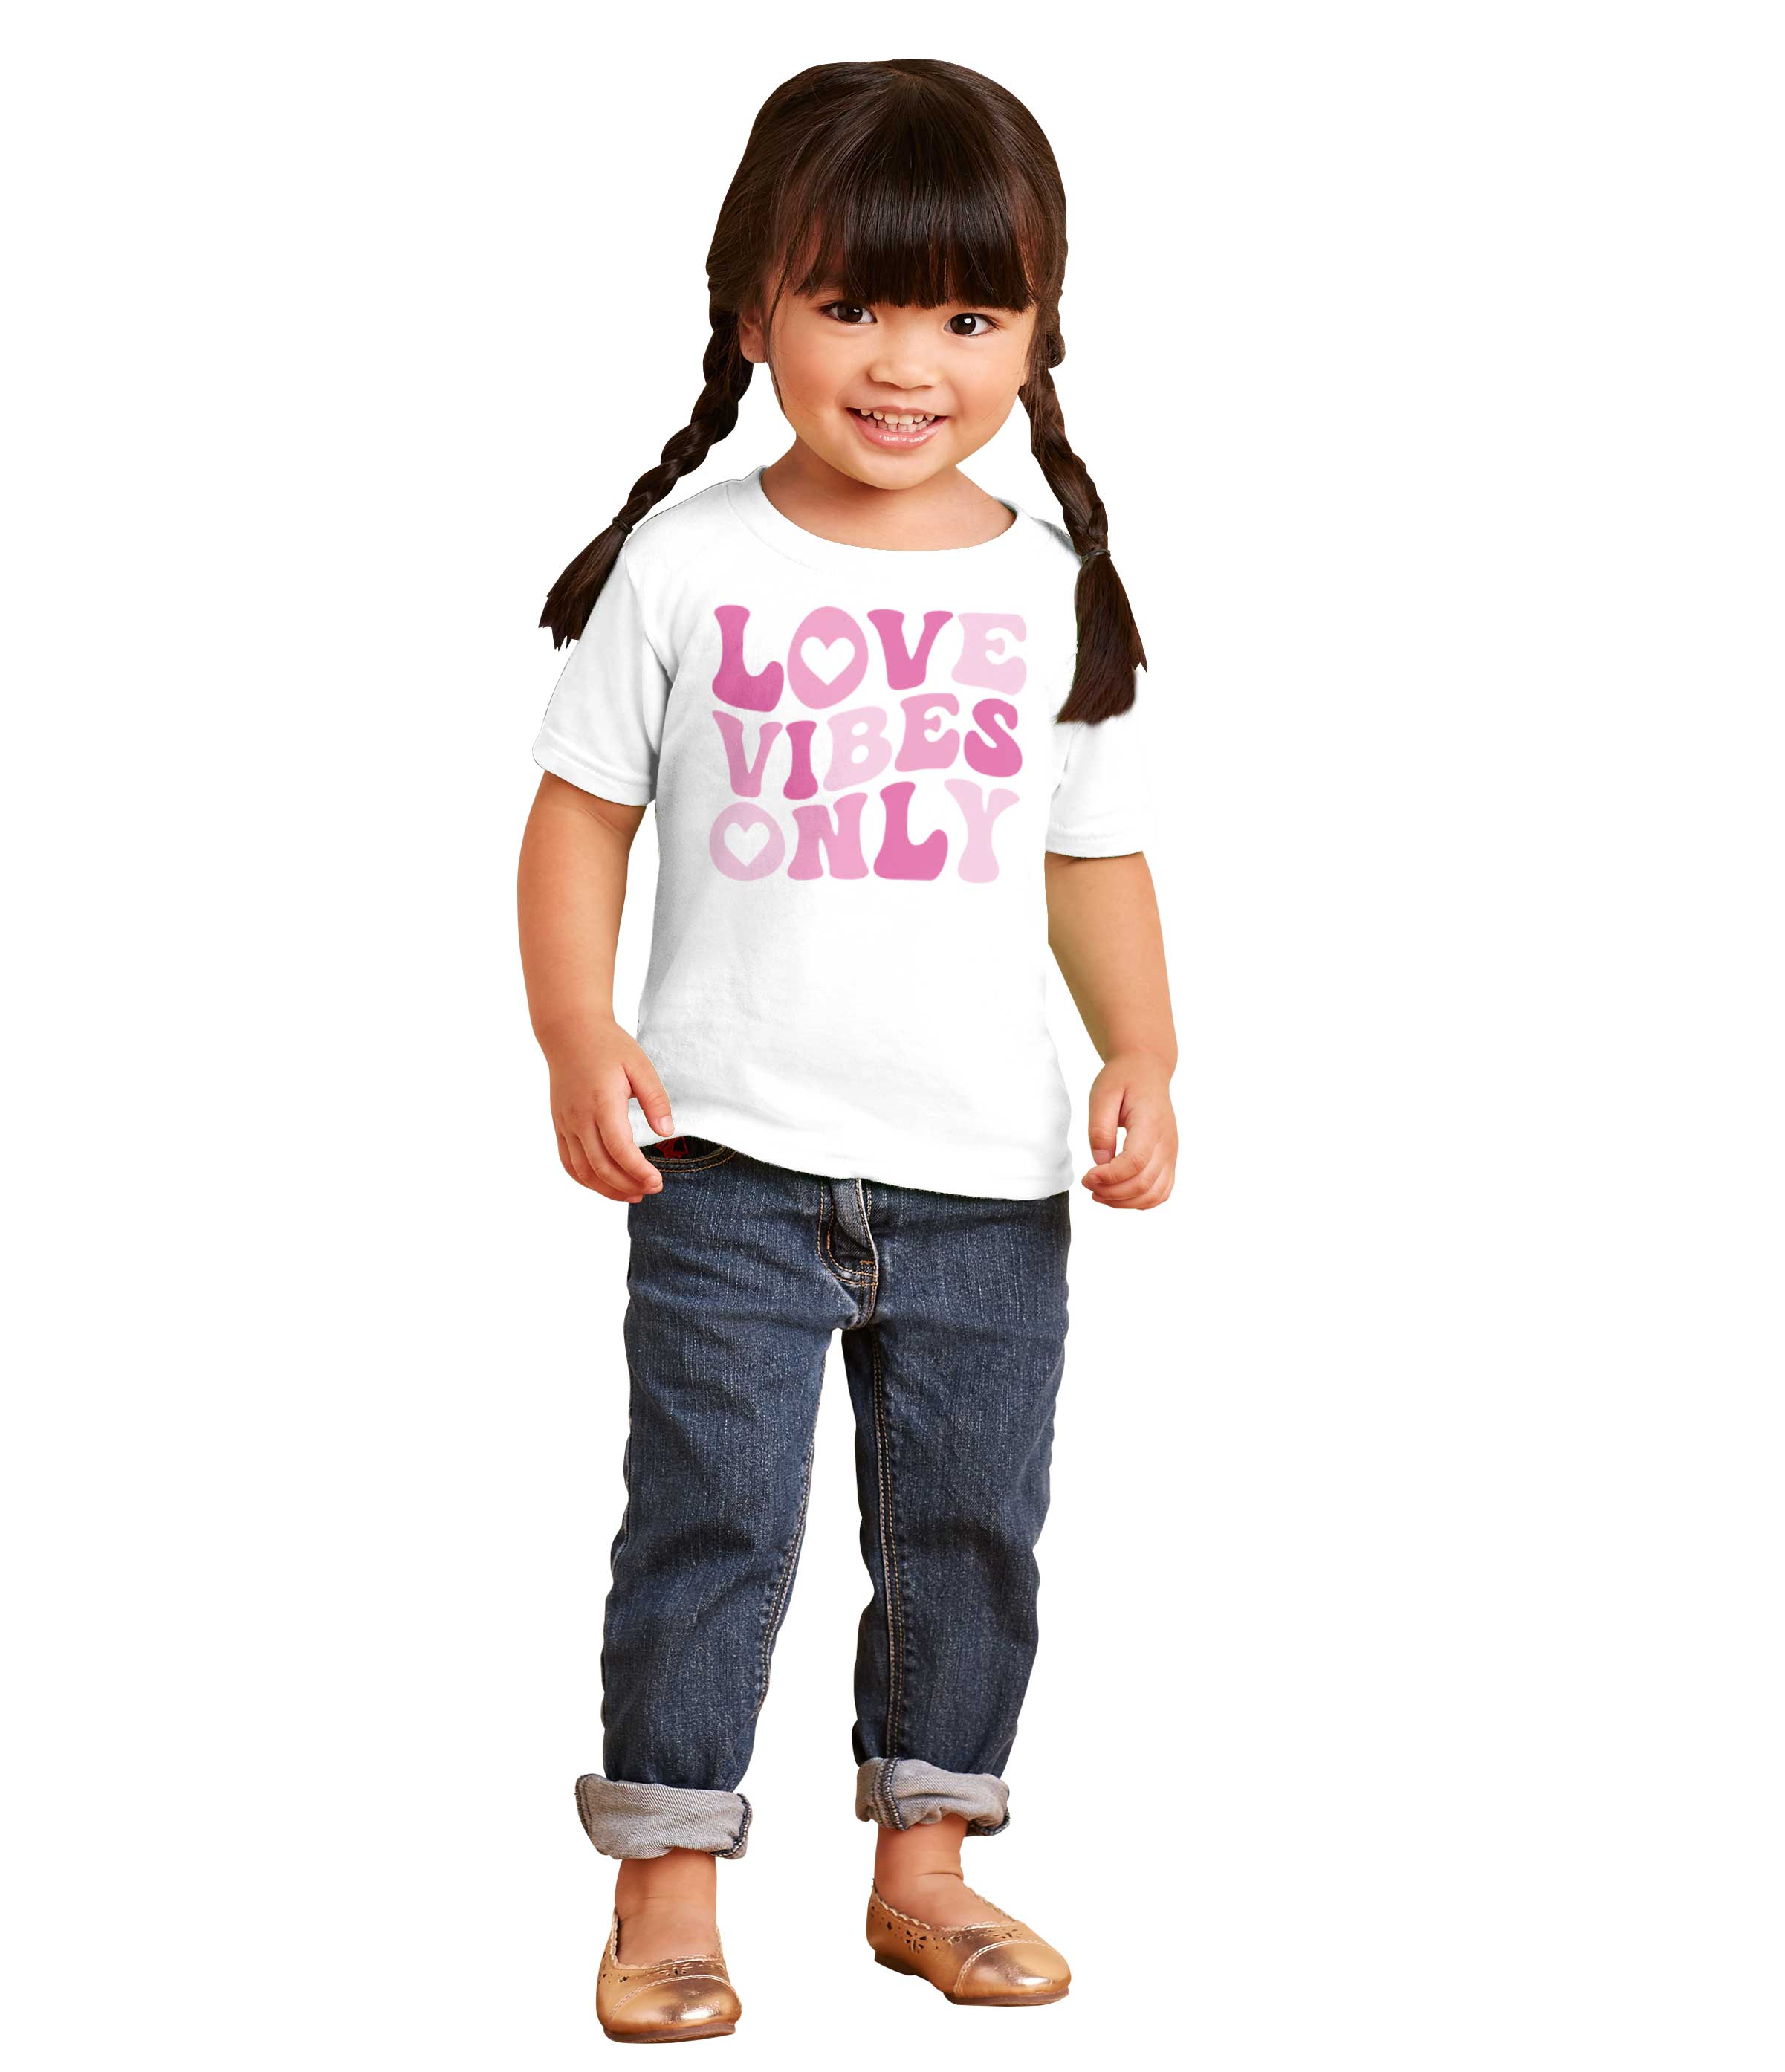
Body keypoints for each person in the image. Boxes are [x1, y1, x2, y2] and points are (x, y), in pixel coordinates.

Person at [517, 58, 1179, 2043]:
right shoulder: (687, 564)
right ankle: (666, 1886)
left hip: (987, 1176)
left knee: (967, 1530)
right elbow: (578, 819)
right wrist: (577, 1028)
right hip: (725, 1157)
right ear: (755, 312)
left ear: (1038, 331)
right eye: (854, 304)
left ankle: (926, 1870)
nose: (909, 363)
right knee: (710, 1519)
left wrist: (1143, 1048)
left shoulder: (1047, 583)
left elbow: (1090, 850)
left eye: (969, 314)